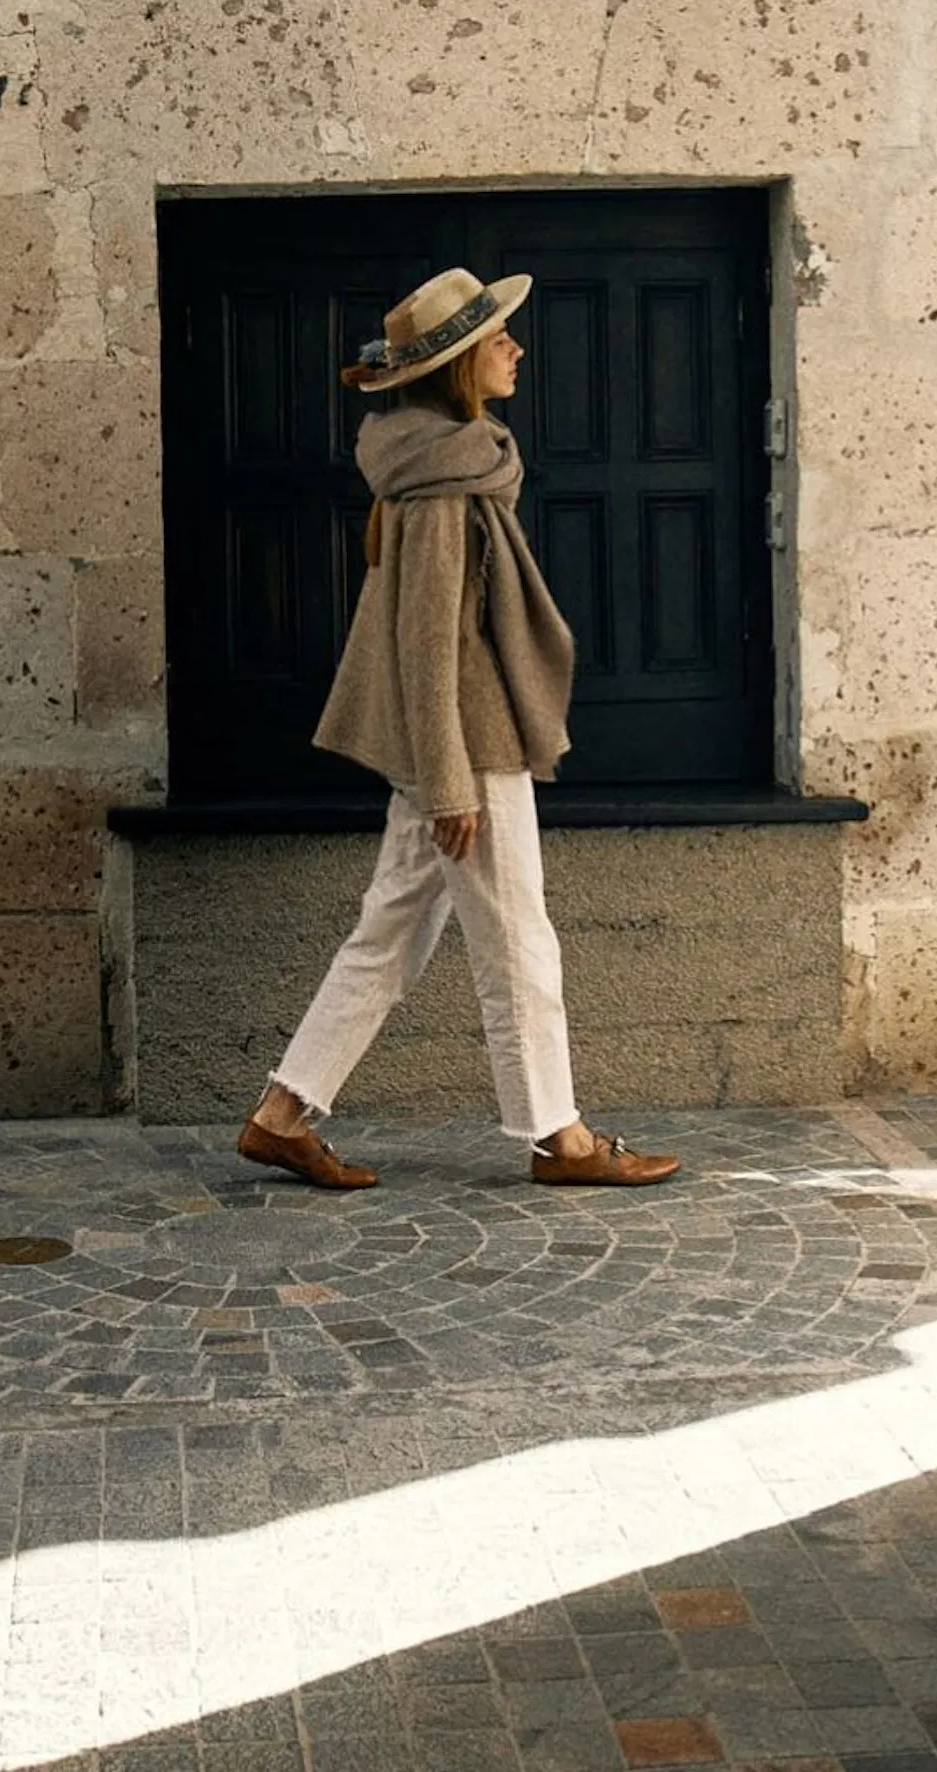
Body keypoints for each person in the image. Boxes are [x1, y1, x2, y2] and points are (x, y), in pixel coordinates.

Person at [236, 266, 681, 1192]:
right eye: (498, 339)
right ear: (455, 369)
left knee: (390, 933)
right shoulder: (441, 484)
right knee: (519, 937)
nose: (517, 348)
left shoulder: (443, 459)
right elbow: (424, 643)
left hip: (451, 744)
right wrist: (446, 782)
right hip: (467, 748)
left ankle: (283, 1114)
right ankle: (560, 1137)